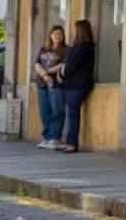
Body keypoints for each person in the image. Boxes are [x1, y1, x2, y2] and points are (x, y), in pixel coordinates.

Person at [58, 19, 96, 154]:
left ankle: (72, 144)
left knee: (73, 114)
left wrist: (62, 74)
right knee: (70, 113)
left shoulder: (83, 47)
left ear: (80, 31)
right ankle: (68, 141)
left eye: (76, 30)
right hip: (73, 85)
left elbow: (70, 66)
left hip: (77, 85)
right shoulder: (80, 46)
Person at [34, 25, 68, 150]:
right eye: (55, 33)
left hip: (56, 85)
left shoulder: (66, 50)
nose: (57, 36)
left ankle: (56, 138)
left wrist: (47, 73)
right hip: (42, 84)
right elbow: (36, 64)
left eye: (60, 34)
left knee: (57, 111)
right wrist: (44, 76)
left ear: (63, 36)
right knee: (44, 112)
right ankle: (47, 138)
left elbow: (63, 65)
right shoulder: (44, 49)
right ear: (50, 35)